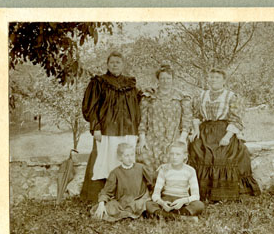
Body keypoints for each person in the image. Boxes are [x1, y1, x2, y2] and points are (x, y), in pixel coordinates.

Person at [188, 68, 261, 201]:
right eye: (211, 77)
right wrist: (196, 130)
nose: (213, 80)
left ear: (223, 80)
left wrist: (227, 137)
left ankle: (224, 194)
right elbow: (196, 115)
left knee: (223, 155)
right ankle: (201, 193)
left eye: (217, 77)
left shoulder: (231, 96)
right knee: (196, 149)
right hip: (205, 131)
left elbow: (236, 119)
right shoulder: (201, 96)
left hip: (224, 130)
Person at [80, 51, 142, 202]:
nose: (115, 65)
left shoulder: (130, 84)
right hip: (106, 130)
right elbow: (91, 106)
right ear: (107, 64)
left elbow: (136, 104)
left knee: (125, 160)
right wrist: (96, 127)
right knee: (103, 161)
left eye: (118, 62)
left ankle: (124, 196)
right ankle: (98, 197)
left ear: (123, 64)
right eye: (112, 62)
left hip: (127, 130)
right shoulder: (98, 82)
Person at [137, 64, 192, 174]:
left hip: (173, 137)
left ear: (172, 79)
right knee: (146, 158)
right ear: (158, 79)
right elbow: (143, 119)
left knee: (173, 162)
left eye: (168, 78)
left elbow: (187, 118)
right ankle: (151, 184)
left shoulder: (181, 97)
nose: (165, 81)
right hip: (153, 137)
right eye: (162, 78)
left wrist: (182, 138)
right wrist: (142, 138)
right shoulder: (149, 96)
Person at [91, 143, 153, 222]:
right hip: (123, 202)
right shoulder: (115, 173)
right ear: (120, 158)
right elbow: (107, 191)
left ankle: (135, 213)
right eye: (126, 156)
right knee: (106, 208)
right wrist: (101, 203)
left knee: (147, 204)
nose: (130, 158)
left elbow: (151, 182)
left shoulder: (141, 168)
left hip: (139, 199)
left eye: (132, 155)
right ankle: (130, 214)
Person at [146, 141, 204, 221]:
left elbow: (196, 195)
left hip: (182, 201)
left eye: (178, 154)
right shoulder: (164, 169)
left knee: (199, 205)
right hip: (167, 200)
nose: (174, 157)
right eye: (172, 154)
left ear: (185, 155)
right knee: (148, 204)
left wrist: (183, 201)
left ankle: (166, 216)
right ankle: (182, 217)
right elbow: (155, 194)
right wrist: (162, 203)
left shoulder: (190, 171)